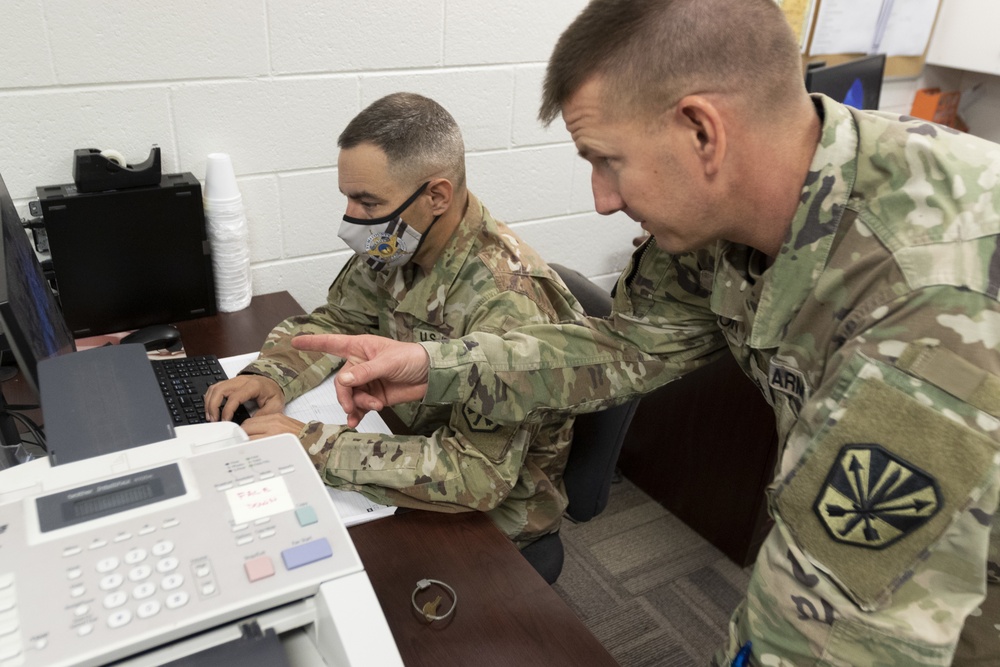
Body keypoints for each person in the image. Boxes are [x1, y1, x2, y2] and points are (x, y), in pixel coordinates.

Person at [291, 1, 1000, 665]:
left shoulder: (927, 298)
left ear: (701, 131)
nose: (603, 200)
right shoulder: (719, 228)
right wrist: (436, 362)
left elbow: (821, 629)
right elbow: (618, 350)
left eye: (608, 160)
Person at [205, 92, 585, 549]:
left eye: (367, 202)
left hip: (491, 515)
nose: (352, 218)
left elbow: (476, 476)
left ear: (436, 196)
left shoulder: (508, 302)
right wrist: (272, 375)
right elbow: (341, 322)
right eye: (348, 199)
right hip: (400, 438)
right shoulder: (399, 243)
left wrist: (310, 445)